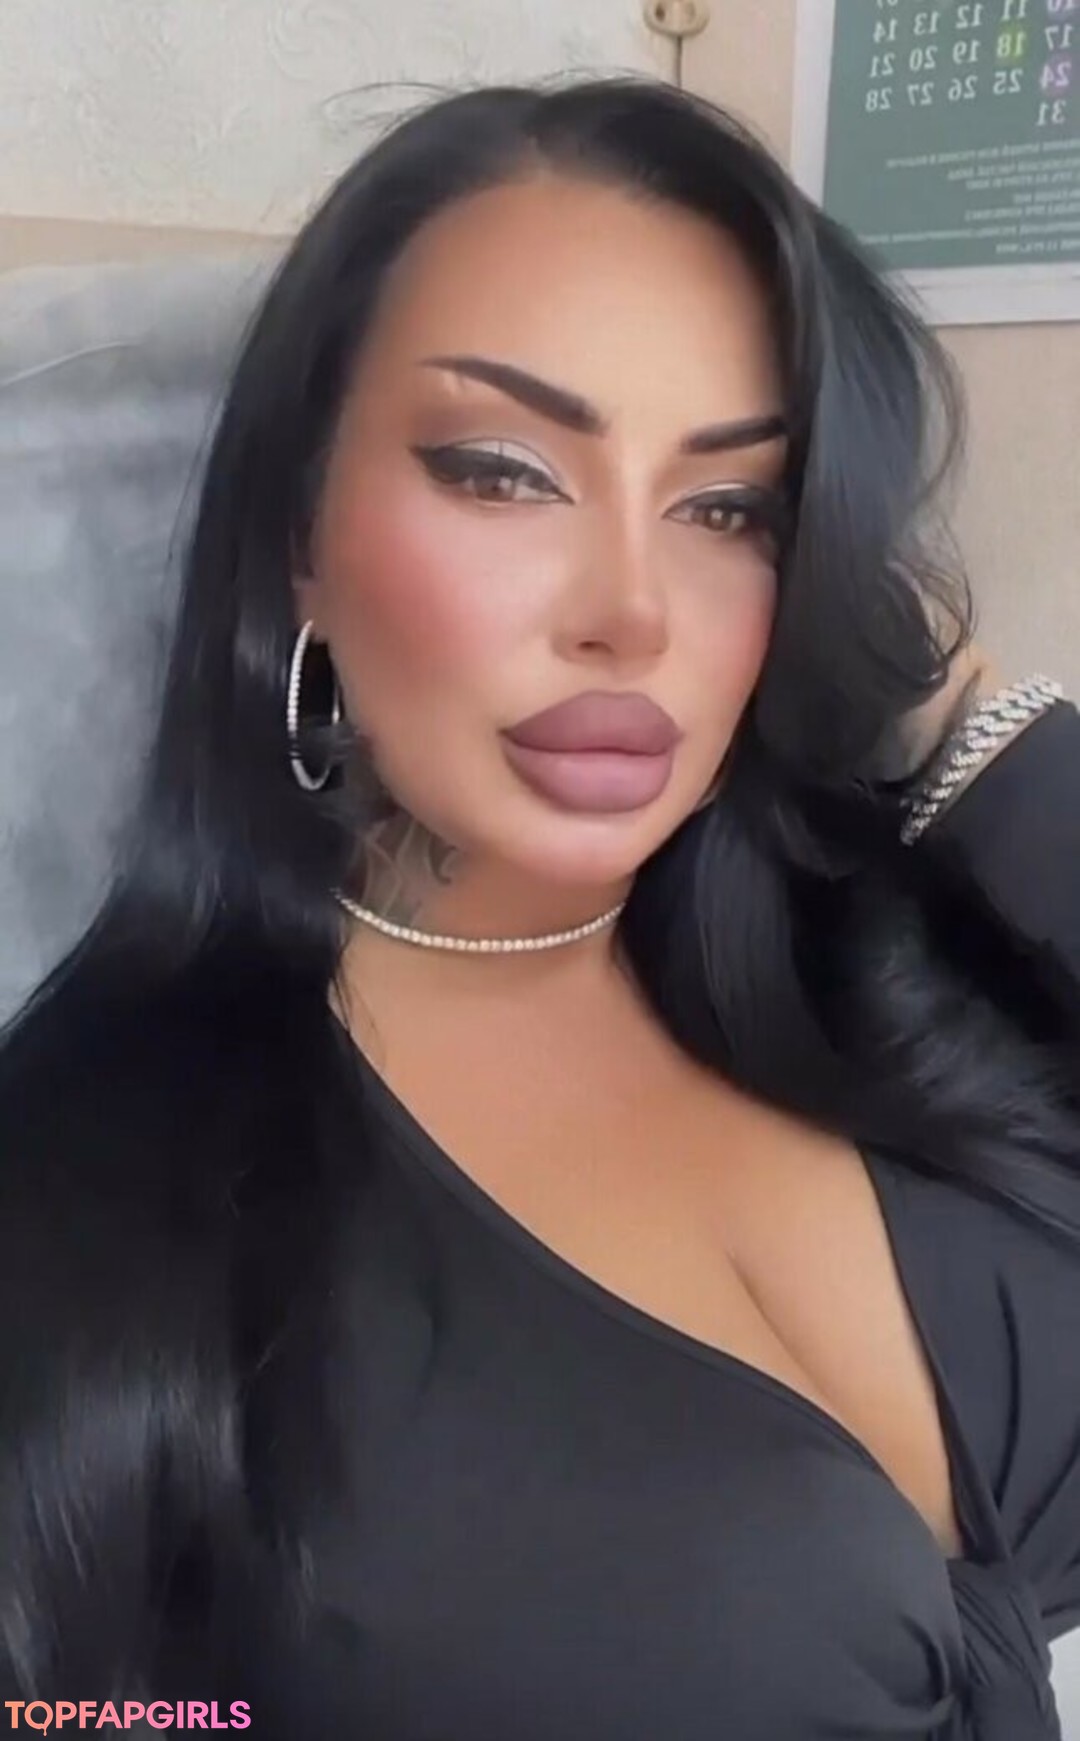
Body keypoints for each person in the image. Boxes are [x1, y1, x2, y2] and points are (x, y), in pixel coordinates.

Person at [0, 75, 1077, 1741]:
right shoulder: (102, 1192)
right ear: (299, 532)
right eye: (503, 472)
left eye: (730, 506)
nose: (634, 611)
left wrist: (929, 693)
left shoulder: (883, 948)